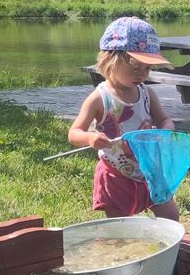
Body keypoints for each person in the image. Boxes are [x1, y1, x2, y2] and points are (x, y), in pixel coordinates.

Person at [68, 17, 180, 220]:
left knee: (170, 215)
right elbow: (74, 133)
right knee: (119, 227)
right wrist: (91, 138)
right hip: (116, 173)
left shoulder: (147, 94)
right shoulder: (99, 99)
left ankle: (169, 248)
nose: (142, 75)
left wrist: (166, 130)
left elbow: (165, 120)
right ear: (111, 60)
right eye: (135, 68)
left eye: (147, 68)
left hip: (149, 168)